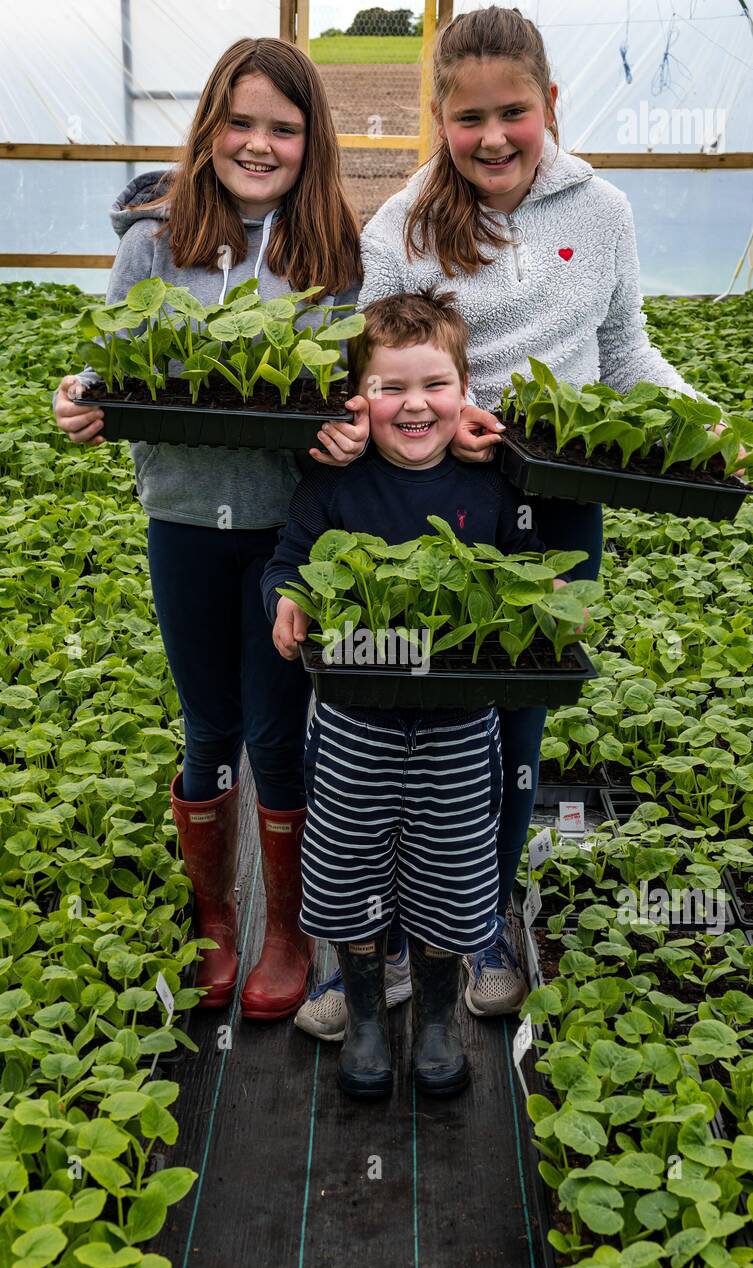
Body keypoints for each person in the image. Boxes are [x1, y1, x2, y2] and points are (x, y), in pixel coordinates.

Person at [346, 3, 733, 1018]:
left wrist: (708, 426)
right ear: (438, 119)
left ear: (550, 104)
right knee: (425, 716)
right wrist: (441, 417)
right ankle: (393, 925)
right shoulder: (402, 230)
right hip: (438, 516)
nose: (491, 138)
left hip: (561, 503)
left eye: (512, 112)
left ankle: (479, 924)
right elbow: (374, 375)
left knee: (519, 718)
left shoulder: (602, 211)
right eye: (466, 118)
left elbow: (624, 353)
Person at [52, 37, 370, 1020]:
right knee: (207, 719)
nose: (259, 143)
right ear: (209, 127)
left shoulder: (329, 254)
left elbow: (348, 388)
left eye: (282, 127)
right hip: (184, 513)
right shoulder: (154, 239)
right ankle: (215, 921)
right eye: (241, 122)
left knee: (280, 724)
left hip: (285, 529)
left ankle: (287, 925)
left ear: (310, 140)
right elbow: (109, 361)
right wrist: (83, 398)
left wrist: (351, 426)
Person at [262, 287, 586, 1099]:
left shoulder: (495, 489)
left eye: (434, 385)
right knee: (345, 862)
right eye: (390, 388)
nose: (414, 405)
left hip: (457, 724)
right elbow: (286, 562)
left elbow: (531, 576)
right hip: (350, 723)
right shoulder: (331, 486)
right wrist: (289, 600)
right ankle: (368, 1013)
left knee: (452, 864)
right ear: (357, 398)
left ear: (465, 391)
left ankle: (437, 1018)